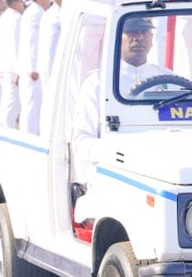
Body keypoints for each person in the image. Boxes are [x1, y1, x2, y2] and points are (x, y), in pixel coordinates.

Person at [71, 17, 171, 185]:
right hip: (113, 174)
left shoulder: (169, 78)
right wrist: (116, 152)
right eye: (131, 32)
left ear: (152, 39)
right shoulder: (98, 82)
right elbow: (82, 140)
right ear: (117, 39)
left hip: (160, 173)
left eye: (144, 32)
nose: (139, 37)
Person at [19, 0, 51, 134]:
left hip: (31, 66)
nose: (49, 0)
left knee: (33, 104)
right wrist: (33, 67)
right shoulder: (36, 13)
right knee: (32, 104)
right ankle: (29, 137)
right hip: (33, 68)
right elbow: (32, 42)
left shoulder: (33, 11)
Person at [0, 0, 26, 128]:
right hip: (13, 68)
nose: (23, 4)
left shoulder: (4, 16)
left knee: (6, 102)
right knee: (12, 104)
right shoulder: (16, 18)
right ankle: (7, 133)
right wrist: (19, 71)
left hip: (5, 66)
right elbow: (17, 46)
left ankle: (4, 132)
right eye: (21, 1)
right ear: (15, 3)